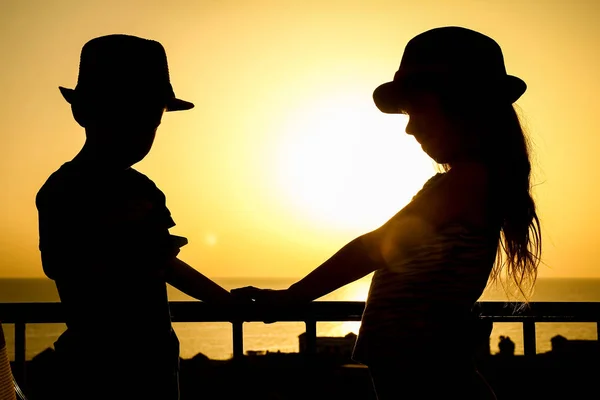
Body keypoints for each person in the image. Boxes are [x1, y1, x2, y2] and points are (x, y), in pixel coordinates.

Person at [232, 26, 542, 399]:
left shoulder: (465, 183)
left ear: (463, 106)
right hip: (425, 367)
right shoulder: (470, 182)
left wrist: (291, 297)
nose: (410, 128)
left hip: (430, 372)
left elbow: (375, 246)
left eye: (417, 111)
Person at [36, 34, 236, 400]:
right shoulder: (66, 191)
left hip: (148, 359)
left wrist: (226, 302)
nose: (140, 131)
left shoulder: (138, 189)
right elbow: (62, 264)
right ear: (84, 114)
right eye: (125, 115)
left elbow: (164, 263)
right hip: (100, 364)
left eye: (149, 119)